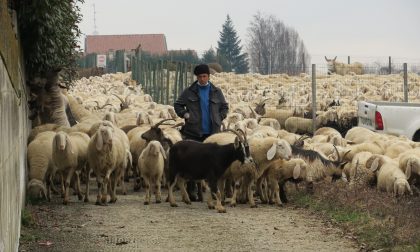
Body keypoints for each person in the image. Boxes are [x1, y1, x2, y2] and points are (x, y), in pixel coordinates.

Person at [174, 64, 229, 200]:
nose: (203, 79)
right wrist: (185, 114)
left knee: (213, 162)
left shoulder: (216, 91)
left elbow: (224, 106)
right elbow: (177, 105)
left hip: (212, 132)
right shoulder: (189, 92)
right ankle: (192, 190)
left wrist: (220, 117)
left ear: (208, 76)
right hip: (194, 131)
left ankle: (213, 191)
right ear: (196, 77)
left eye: (205, 76)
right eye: (200, 77)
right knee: (194, 161)